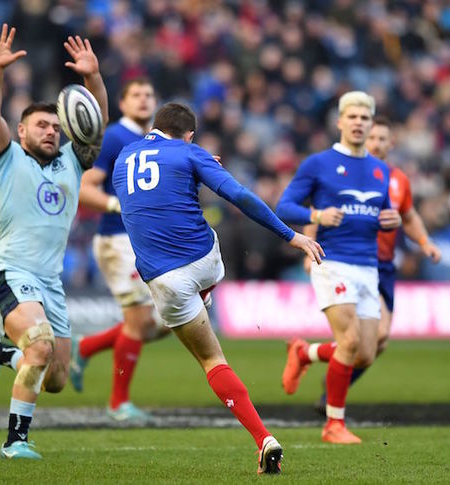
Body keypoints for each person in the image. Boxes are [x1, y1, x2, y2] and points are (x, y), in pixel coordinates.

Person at [112, 102, 324, 474]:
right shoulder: (190, 153)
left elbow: (157, 186)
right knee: (212, 234)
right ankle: (208, 288)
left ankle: (263, 439)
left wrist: (191, 166)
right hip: (204, 260)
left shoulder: (124, 155)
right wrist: (290, 235)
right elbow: (239, 196)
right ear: (189, 135)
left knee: (212, 361)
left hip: (163, 281)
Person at [0, 24, 108, 460]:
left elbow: (97, 124)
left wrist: (92, 78)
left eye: (56, 125)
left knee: (54, 377)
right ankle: (15, 441)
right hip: (9, 272)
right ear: (21, 132)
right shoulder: (6, 157)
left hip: (49, 282)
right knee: (38, 346)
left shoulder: (72, 161)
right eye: (41, 125)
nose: (51, 131)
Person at [276, 92, 402, 444]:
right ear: (340, 121)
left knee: (365, 351)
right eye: (354, 117)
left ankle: (304, 352)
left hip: (368, 266)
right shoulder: (319, 163)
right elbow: (284, 205)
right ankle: (333, 425)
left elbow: (382, 214)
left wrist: (391, 219)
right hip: (332, 261)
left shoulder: (380, 169)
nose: (360, 123)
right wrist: (315, 215)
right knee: (347, 341)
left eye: (366, 118)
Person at [295, 116, 442, 412]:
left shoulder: (396, 178)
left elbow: (409, 216)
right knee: (372, 339)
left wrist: (424, 242)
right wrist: (308, 246)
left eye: (381, 139)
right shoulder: (345, 171)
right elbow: (317, 209)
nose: (375, 143)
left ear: (391, 143)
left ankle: (309, 355)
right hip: (351, 261)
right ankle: (331, 391)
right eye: (371, 137)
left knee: (376, 345)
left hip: (383, 266)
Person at [71, 78, 171, 422]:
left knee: (166, 320)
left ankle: (84, 347)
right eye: (136, 95)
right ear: (123, 102)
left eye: (149, 94)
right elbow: (84, 188)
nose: (144, 100)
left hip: (148, 243)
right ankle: (118, 404)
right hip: (118, 239)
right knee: (141, 320)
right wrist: (118, 205)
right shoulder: (114, 137)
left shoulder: (157, 141)